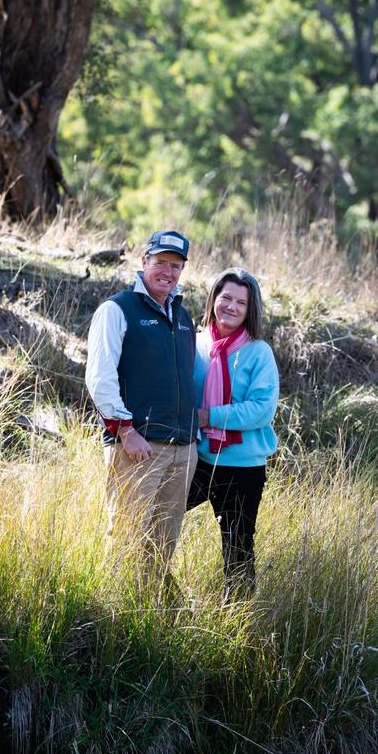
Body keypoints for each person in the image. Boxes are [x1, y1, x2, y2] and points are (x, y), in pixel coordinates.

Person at [86, 230, 198, 578]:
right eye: (161, 262)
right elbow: (100, 378)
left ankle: (148, 622)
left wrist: (192, 441)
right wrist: (124, 430)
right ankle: (111, 623)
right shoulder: (117, 309)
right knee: (125, 538)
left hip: (183, 448)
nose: (168, 271)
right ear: (144, 262)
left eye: (176, 266)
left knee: (163, 545)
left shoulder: (183, 317)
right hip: (138, 446)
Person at [188, 268, 279, 595]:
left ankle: (237, 622)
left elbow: (261, 409)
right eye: (226, 297)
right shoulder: (195, 344)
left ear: (249, 309)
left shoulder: (258, 352)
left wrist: (208, 416)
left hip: (242, 467)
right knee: (159, 519)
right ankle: (156, 594)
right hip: (195, 459)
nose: (231, 306)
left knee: (237, 550)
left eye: (241, 302)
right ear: (214, 298)